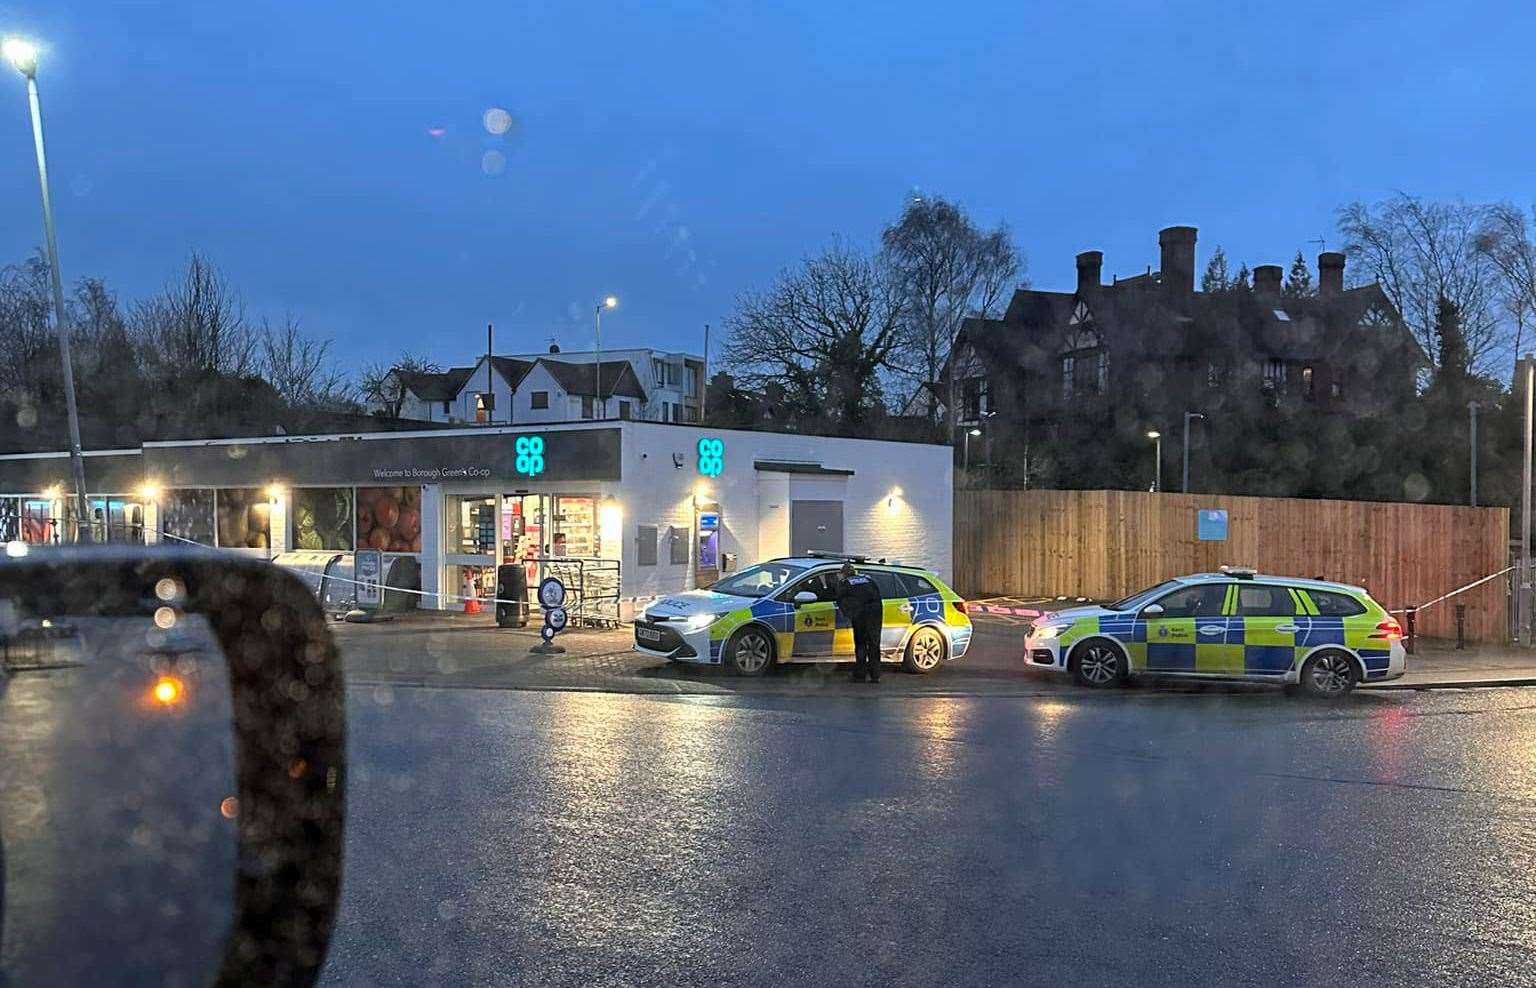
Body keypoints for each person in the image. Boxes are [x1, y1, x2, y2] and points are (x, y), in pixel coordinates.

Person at [834, 562, 883, 683]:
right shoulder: (868, 580)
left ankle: (860, 675)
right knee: (874, 644)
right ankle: (875, 675)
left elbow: (840, 599)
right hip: (875, 614)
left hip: (861, 614)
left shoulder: (845, 583)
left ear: (844, 574)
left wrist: (849, 614)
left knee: (861, 644)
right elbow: (878, 595)